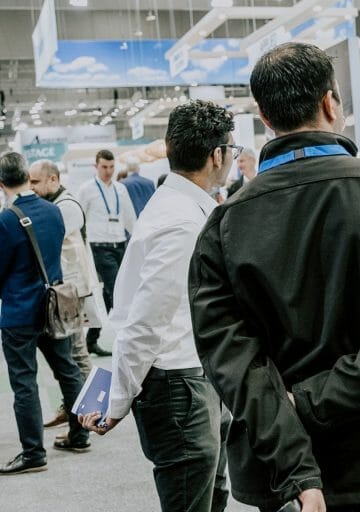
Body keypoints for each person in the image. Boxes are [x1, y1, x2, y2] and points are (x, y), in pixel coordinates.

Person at [189, 43, 360, 512]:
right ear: (331, 103)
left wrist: (297, 437)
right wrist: (314, 400)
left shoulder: (223, 227)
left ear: (265, 116)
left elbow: (231, 362)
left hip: (283, 474)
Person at [79, 100, 237, 512]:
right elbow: (144, 323)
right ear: (216, 155)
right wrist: (117, 399)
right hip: (179, 387)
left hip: (195, 378)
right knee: (190, 500)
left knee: (209, 494)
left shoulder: (178, 207)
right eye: (232, 151)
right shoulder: (182, 221)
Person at [0, 152, 91, 475]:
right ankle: (80, 434)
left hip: (18, 312)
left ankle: (33, 453)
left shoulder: (6, 219)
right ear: (26, 176)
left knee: (24, 382)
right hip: (54, 307)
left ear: (1, 183)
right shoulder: (54, 211)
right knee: (68, 371)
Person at [28, 159, 97, 429]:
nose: (31, 188)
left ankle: (93, 411)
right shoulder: (56, 205)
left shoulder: (67, 207)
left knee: (77, 353)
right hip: (63, 289)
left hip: (71, 290)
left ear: (53, 180)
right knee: (69, 353)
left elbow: (47, 240)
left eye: (35, 182)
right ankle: (72, 408)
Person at [77, 149, 137, 356]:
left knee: (108, 295)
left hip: (119, 245)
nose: (108, 171)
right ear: (96, 166)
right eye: (104, 167)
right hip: (98, 246)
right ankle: (126, 338)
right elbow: (79, 219)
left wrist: (139, 241)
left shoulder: (120, 189)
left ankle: (91, 339)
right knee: (115, 291)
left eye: (111, 167)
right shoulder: (87, 189)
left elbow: (130, 219)